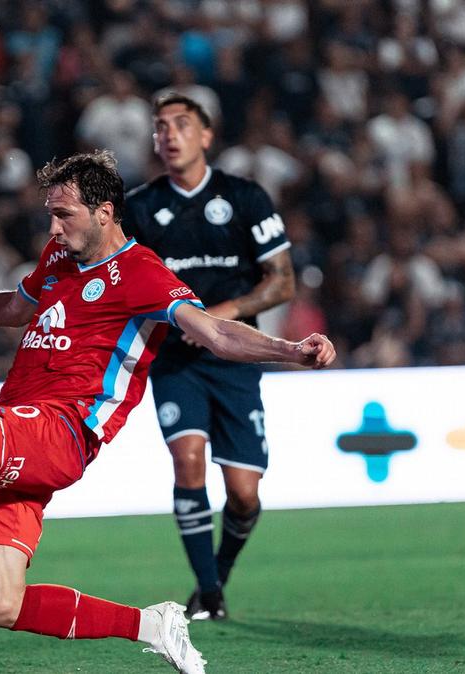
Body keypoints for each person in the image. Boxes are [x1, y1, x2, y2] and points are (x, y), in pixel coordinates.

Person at [0, 151, 334, 674]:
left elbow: (215, 333)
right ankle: (152, 625)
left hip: (63, 429)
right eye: (50, 214)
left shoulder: (141, 271)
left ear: (105, 213)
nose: (52, 228)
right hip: (19, 424)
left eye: (64, 215)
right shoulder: (58, 258)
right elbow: (9, 307)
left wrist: (291, 351)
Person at [123, 94, 298, 621]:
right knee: (189, 460)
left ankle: (217, 575)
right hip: (175, 360)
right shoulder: (138, 207)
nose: (169, 135)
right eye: (160, 127)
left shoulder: (244, 197)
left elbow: (282, 282)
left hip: (236, 358)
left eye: (182, 124)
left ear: (206, 135)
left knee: (243, 494)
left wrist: (221, 315)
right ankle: (210, 593)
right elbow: (122, 283)